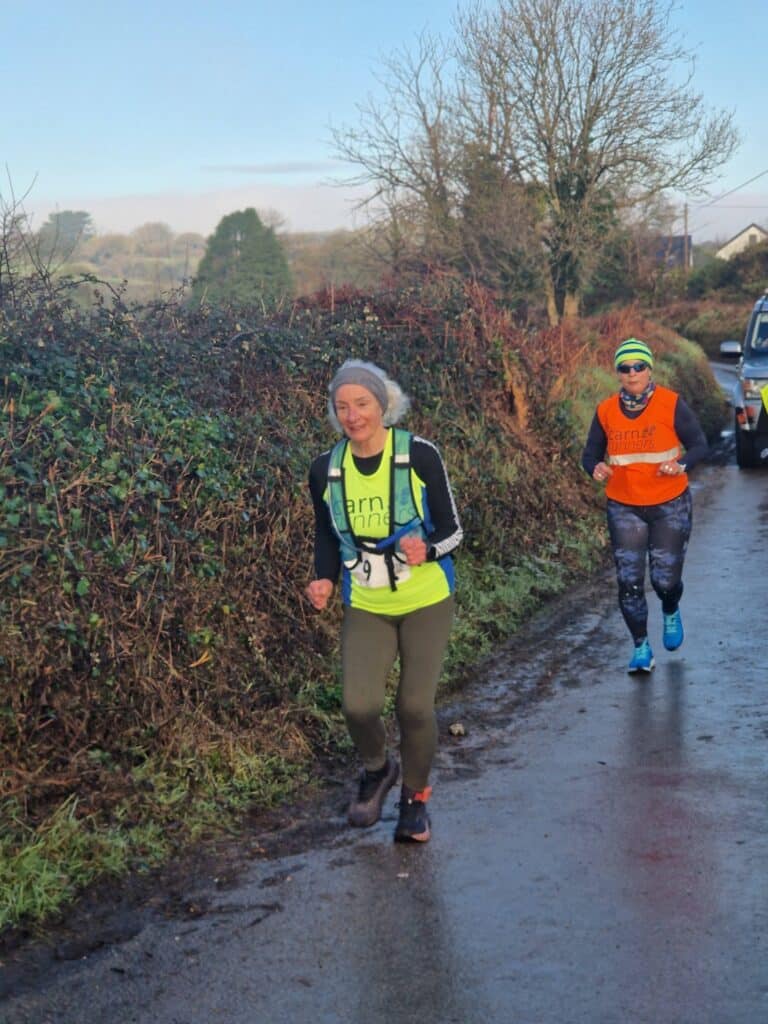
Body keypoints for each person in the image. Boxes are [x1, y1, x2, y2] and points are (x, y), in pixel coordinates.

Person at [305, 359, 463, 842]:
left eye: (362, 404)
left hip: (426, 597)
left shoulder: (418, 455)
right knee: (357, 705)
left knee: (414, 707)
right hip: (368, 600)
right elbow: (328, 536)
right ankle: (377, 769)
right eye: (342, 407)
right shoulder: (325, 470)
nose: (353, 416)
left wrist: (428, 549)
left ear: (383, 404)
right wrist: (323, 580)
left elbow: (452, 529)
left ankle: (414, 801)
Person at [581, 338, 709, 674]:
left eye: (639, 366)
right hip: (625, 506)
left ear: (650, 368)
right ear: (618, 374)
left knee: (665, 581)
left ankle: (670, 608)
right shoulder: (606, 410)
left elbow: (699, 445)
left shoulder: (670, 404)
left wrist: (681, 465)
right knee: (629, 582)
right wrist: (595, 467)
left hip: (670, 504)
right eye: (625, 367)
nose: (632, 372)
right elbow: (590, 454)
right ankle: (641, 647)